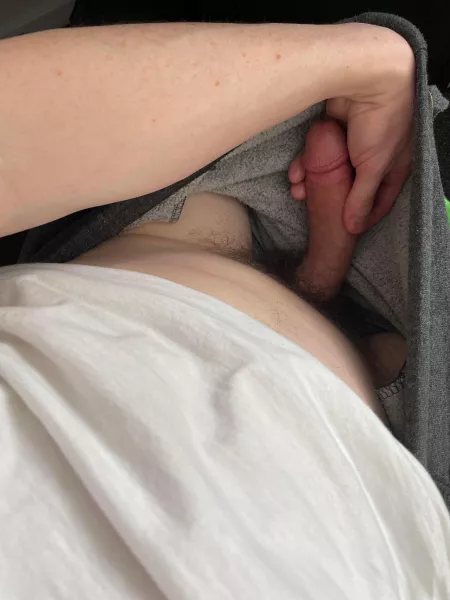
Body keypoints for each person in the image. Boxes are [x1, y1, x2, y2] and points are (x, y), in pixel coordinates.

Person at [0, 20, 449, 599]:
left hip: (154, 262)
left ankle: (318, 281)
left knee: (202, 207)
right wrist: (368, 61)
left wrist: (367, 63)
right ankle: (323, 288)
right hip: (399, 467)